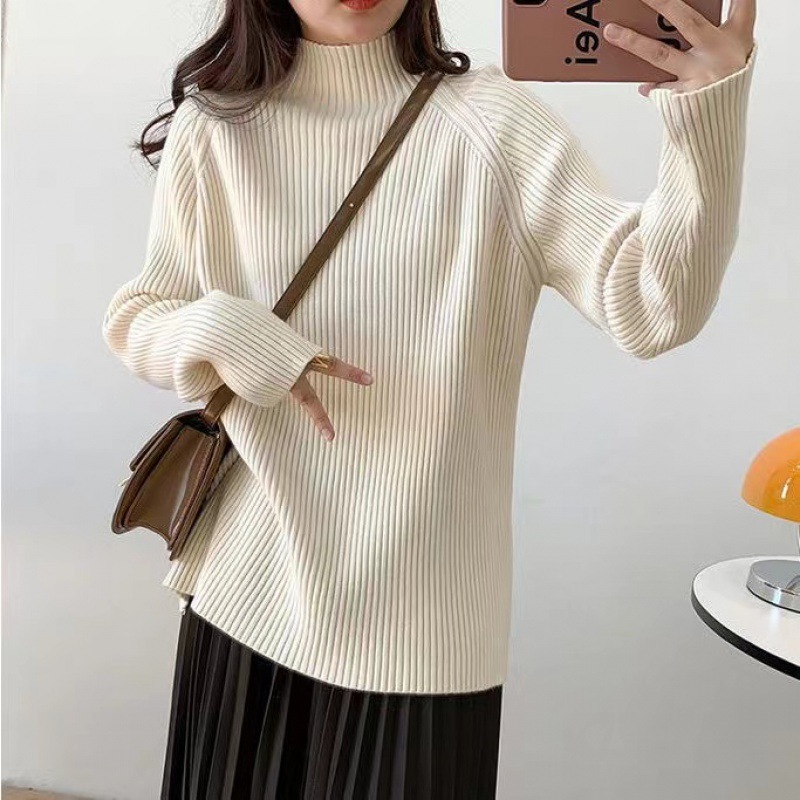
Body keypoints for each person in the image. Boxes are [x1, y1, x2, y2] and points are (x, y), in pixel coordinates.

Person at [101, 0, 758, 797]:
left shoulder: (495, 125)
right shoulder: (218, 126)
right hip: (246, 593)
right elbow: (141, 317)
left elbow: (656, 308)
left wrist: (707, 112)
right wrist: (228, 330)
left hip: (423, 628)